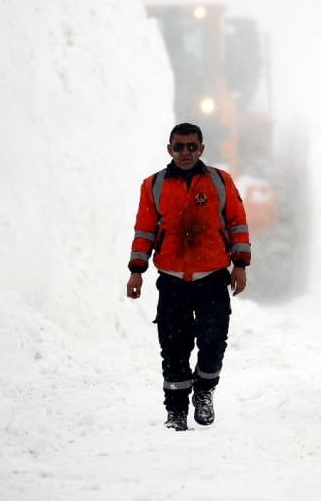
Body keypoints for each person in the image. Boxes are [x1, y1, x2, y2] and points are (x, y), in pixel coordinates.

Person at [125, 122, 251, 431]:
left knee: (212, 343)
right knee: (174, 347)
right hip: (172, 281)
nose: (185, 152)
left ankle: (204, 392)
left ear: (202, 150)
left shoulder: (220, 182)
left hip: (212, 278)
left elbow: (237, 223)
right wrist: (136, 271)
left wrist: (240, 264)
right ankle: (177, 411)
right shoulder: (153, 186)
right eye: (179, 146)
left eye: (191, 147)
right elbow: (144, 231)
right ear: (169, 149)